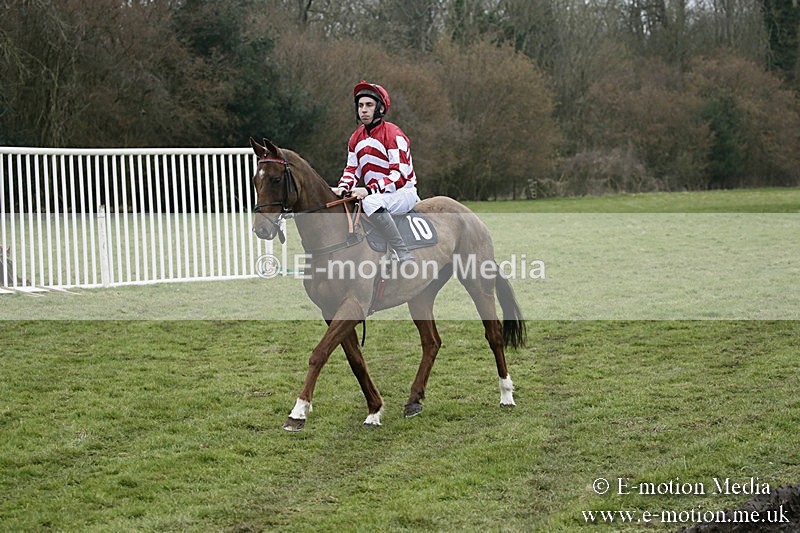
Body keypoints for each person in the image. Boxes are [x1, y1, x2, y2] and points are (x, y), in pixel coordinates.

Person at [331, 80, 420, 262]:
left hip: (403, 192)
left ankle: (401, 251)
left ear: (380, 108)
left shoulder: (393, 134)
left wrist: (368, 190)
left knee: (370, 202)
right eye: (360, 105)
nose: (363, 110)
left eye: (369, 105)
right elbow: (352, 169)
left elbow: (399, 176)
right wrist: (343, 187)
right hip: (378, 194)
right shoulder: (355, 137)